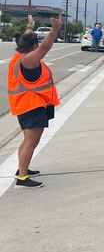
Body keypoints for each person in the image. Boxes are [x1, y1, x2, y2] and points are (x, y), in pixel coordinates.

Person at [7, 15, 62, 188]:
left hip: (27, 105)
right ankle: (22, 178)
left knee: (28, 141)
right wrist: (55, 30)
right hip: (31, 105)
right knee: (31, 142)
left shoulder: (20, 56)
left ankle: (22, 169)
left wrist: (30, 26)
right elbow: (45, 47)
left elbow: (29, 37)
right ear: (33, 46)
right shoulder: (28, 60)